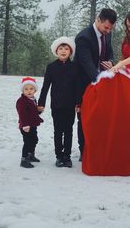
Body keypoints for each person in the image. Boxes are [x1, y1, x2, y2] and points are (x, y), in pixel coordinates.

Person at [74, 8, 117, 160]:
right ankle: (84, 150)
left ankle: (97, 147)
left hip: (100, 82)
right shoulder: (83, 38)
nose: (108, 31)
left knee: (100, 117)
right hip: (84, 84)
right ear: (98, 20)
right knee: (84, 118)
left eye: (111, 28)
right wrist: (100, 81)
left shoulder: (107, 34)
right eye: (106, 27)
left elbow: (110, 53)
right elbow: (87, 65)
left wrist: (111, 62)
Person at [38, 36, 77, 168]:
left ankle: (67, 156)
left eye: (66, 48)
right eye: (61, 48)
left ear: (70, 51)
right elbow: (45, 86)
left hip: (71, 105)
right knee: (58, 131)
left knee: (69, 131)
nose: (63, 51)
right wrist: (41, 103)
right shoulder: (51, 67)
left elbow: (78, 87)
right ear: (56, 50)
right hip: (57, 105)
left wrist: (79, 103)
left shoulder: (75, 67)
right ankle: (59, 156)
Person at [16, 77, 43, 168]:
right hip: (26, 126)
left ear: (35, 90)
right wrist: (25, 125)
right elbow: (22, 114)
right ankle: (24, 159)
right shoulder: (21, 101)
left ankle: (31, 155)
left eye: (31, 89)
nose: (29, 91)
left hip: (33, 125)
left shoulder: (33, 99)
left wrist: (39, 111)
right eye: (26, 89)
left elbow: (33, 112)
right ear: (23, 90)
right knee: (27, 142)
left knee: (34, 140)